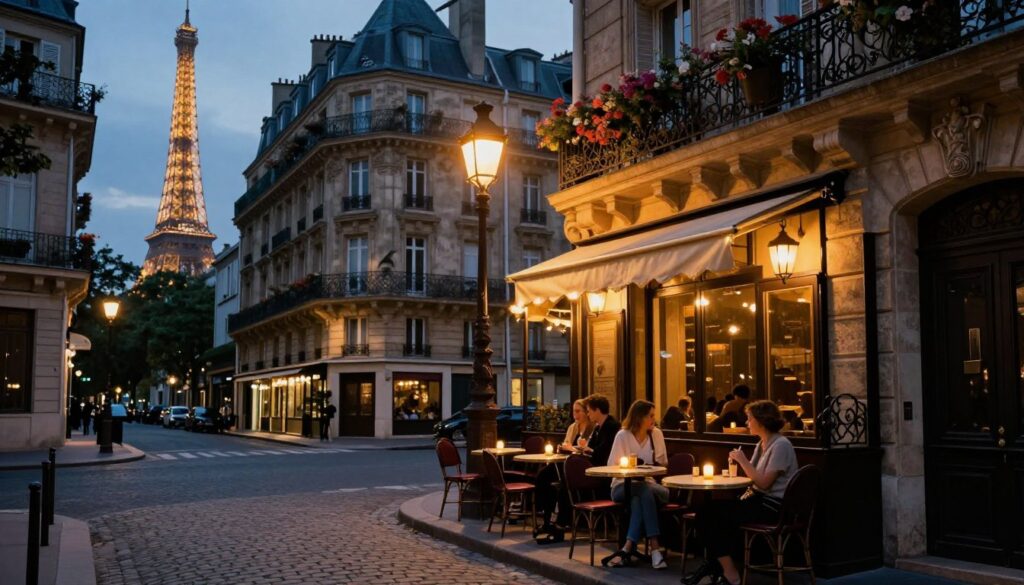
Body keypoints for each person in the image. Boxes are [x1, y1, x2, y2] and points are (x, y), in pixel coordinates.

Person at [685, 400, 799, 585]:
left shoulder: (781, 445)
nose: (747, 423)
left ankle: (729, 573)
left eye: (749, 419)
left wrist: (742, 461)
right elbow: (751, 478)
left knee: (709, 515)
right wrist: (736, 467)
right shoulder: (762, 443)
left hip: (773, 508)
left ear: (761, 421)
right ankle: (719, 567)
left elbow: (763, 483)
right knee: (707, 512)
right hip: (757, 501)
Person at [604, 400, 669, 569]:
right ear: (639, 417)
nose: (654, 419)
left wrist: (646, 469)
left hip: (651, 485)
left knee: (640, 496)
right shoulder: (623, 436)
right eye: (651, 416)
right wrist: (630, 467)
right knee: (642, 492)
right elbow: (612, 467)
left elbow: (663, 466)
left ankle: (627, 547)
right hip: (621, 486)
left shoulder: (656, 435)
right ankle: (655, 548)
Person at [533, 399, 595, 543]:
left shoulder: (592, 429)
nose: (575, 414)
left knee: (561, 486)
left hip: (580, 466)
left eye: (578, 411)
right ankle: (546, 518)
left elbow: (587, 451)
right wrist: (563, 448)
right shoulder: (572, 427)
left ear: (586, 412)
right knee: (543, 476)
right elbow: (567, 444)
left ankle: (558, 523)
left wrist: (572, 449)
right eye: (574, 411)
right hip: (565, 462)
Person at [582, 394, 619, 476]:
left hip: (606, 470)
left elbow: (605, 451)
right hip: (595, 466)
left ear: (597, 410)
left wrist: (590, 451)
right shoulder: (597, 428)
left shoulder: (612, 426)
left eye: (589, 411)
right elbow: (590, 447)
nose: (588, 414)